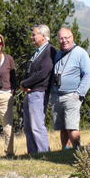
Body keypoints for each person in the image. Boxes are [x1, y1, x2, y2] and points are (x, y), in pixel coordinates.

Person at [51, 27, 90, 149]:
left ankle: (77, 150)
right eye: (61, 38)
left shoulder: (80, 53)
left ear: (72, 38)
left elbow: (88, 75)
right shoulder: (58, 54)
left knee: (72, 126)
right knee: (62, 127)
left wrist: (78, 94)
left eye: (66, 38)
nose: (64, 41)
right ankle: (65, 151)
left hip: (72, 96)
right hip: (57, 96)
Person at [20, 25, 56, 154]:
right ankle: (33, 154)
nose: (31, 37)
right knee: (28, 127)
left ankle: (44, 154)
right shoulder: (38, 51)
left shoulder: (49, 51)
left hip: (39, 93)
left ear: (43, 36)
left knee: (37, 127)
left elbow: (43, 72)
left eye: (34, 34)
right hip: (31, 92)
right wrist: (26, 85)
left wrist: (24, 83)